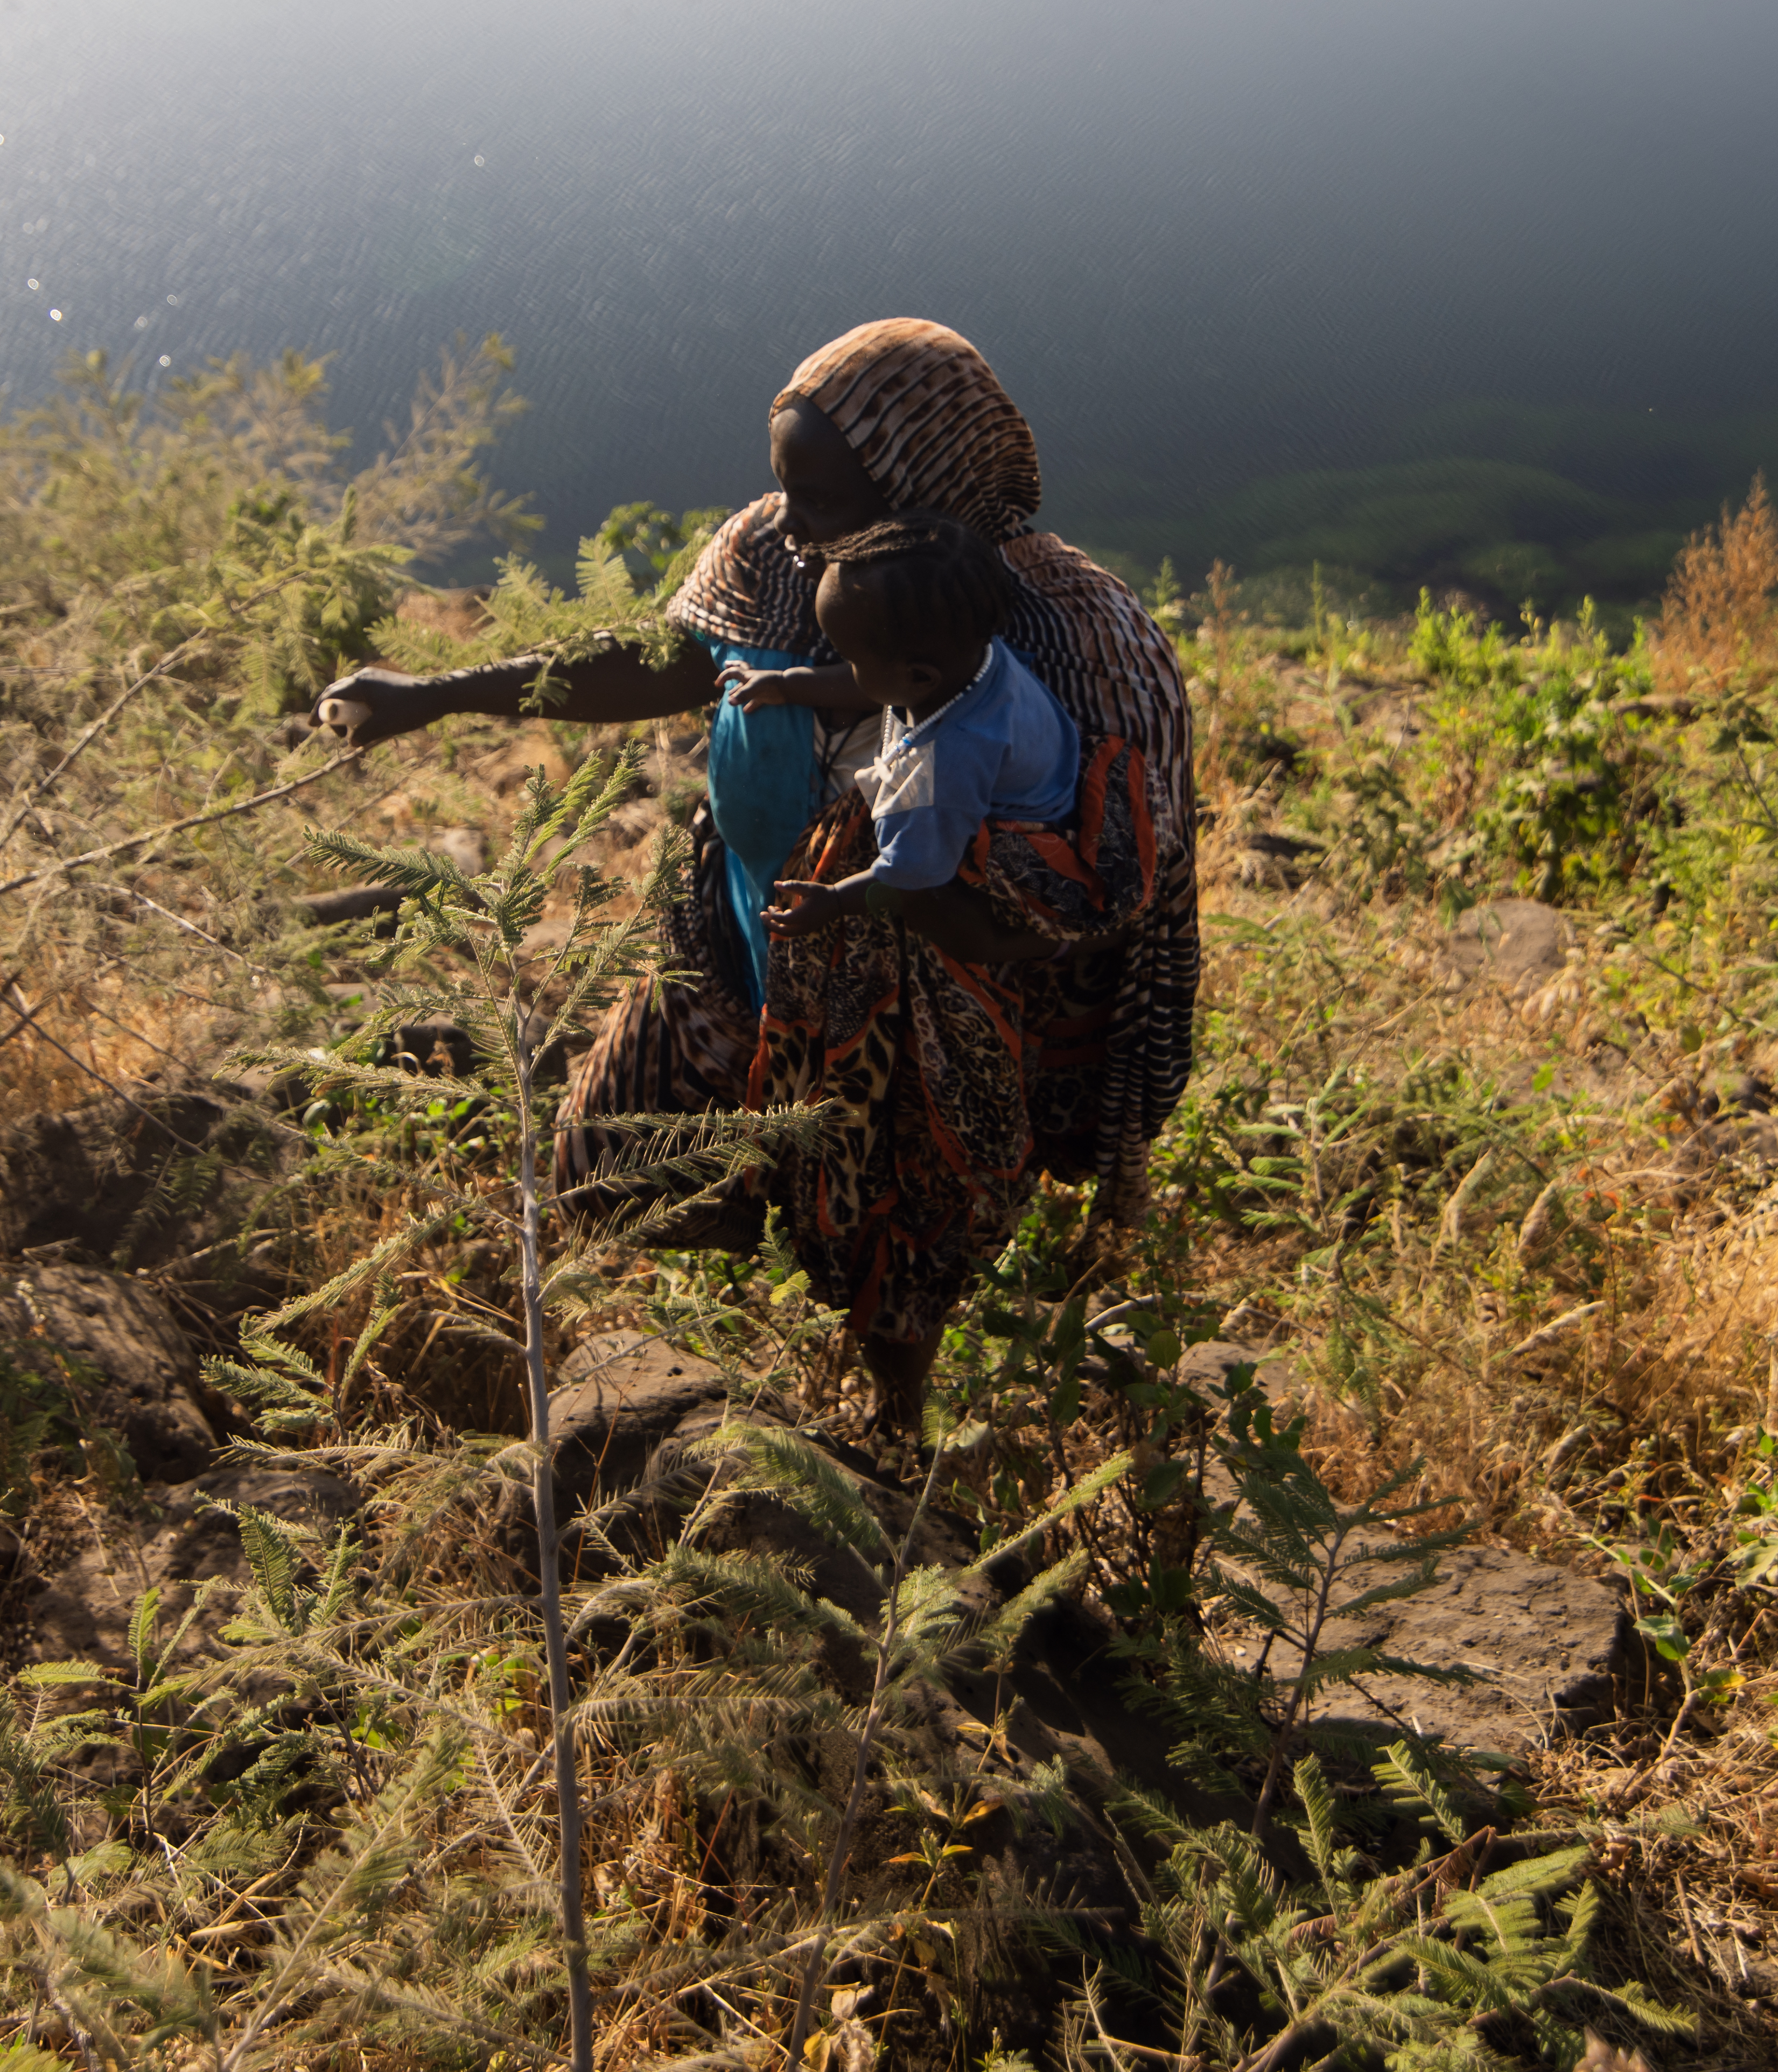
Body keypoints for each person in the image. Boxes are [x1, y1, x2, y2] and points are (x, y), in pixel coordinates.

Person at [311, 318, 1199, 1443]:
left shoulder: (1074, 630)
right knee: (601, 1163)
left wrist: (895, 888)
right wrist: (435, 693)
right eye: (784, 487)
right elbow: (664, 660)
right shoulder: (777, 557)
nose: (790, 520)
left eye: (825, 497)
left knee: (893, 1236)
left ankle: (893, 1438)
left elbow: (1120, 874)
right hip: (748, 946)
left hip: (938, 1007)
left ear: (924, 481)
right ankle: (642, 1361)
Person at [726, 510, 1082, 954]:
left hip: (1020, 858)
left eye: (849, 656)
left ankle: (1046, 947)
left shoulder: (946, 762)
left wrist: (836, 901)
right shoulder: (968, 658)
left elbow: (911, 874)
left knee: (942, 921)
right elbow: (879, 687)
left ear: (918, 678)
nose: (845, 666)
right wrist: (786, 685)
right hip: (1039, 782)